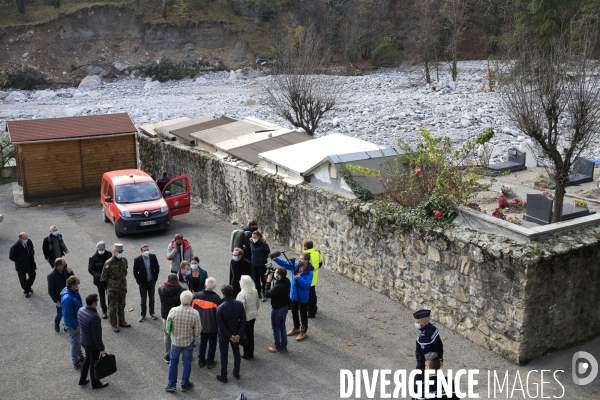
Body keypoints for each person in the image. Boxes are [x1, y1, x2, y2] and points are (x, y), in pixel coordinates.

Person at [273, 253, 313, 342]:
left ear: (306, 261)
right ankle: (296, 327)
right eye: (299, 258)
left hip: (303, 297)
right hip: (294, 295)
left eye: (302, 259)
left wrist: (299, 278)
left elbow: (307, 286)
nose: (299, 260)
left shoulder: (310, 272)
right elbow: (286, 264)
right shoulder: (296, 265)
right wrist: (276, 259)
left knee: (303, 315)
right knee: (294, 312)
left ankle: (304, 331)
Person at [165, 291, 199, 392]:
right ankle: (185, 384)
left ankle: (171, 384)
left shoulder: (173, 311)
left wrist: (172, 335)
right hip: (188, 342)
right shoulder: (194, 313)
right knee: (187, 362)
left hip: (175, 342)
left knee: (173, 362)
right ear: (191, 300)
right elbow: (197, 332)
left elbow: (168, 328)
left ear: (180, 299)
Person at [77, 293, 109, 389]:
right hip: (92, 344)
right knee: (94, 363)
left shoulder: (81, 310)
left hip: (84, 341)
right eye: (97, 301)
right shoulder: (94, 317)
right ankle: (95, 383)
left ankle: (82, 379)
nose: (98, 302)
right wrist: (102, 349)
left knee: (87, 359)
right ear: (94, 303)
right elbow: (96, 336)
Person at [215, 285, 246, 383]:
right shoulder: (239, 304)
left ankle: (224, 375)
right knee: (236, 353)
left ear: (223, 294)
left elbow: (221, 325)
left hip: (224, 335)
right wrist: (238, 334)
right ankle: (236, 372)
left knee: (224, 355)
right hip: (236, 332)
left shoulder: (220, 308)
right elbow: (243, 320)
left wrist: (229, 336)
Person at [192, 277, 223, 369]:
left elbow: (192, 310)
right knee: (212, 344)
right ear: (214, 287)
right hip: (212, 326)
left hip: (200, 325)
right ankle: (210, 361)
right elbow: (219, 315)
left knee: (202, 342)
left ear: (205, 285)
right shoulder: (217, 299)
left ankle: (201, 360)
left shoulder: (196, 296)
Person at [100, 243, 131, 332]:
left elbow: (125, 272)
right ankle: (113, 324)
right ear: (114, 252)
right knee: (113, 307)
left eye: (121, 251)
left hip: (122, 287)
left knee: (122, 305)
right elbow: (103, 277)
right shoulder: (108, 263)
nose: (120, 253)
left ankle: (122, 321)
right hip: (113, 289)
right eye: (118, 252)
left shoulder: (124, 260)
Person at [158, 273, 186, 363]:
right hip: (178, 316)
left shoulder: (161, 289)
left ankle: (167, 355)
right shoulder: (182, 291)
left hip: (166, 316)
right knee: (179, 335)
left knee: (167, 335)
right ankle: (182, 355)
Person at [265, 267, 291, 354]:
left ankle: (277, 347)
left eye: (276, 273)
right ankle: (284, 346)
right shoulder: (287, 281)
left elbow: (267, 294)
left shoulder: (279, 286)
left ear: (279, 276)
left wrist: (268, 282)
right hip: (285, 307)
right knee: (282, 326)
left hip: (277, 309)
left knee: (275, 328)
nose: (274, 274)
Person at [61, 276, 84, 369]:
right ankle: (76, 361)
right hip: (72, 324)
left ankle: (80, 355)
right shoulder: (67, 298)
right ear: (72, 285)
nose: (79, 285)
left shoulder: (74, 292)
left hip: (77, 321)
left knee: (78, 340)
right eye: (78, 284)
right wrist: (75, 326)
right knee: (75, 343)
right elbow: (67, 315)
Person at [133, 244, 160, 322]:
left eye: (147, 250)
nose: (146, 251)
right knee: (143, 299)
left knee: (152, 298)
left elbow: (157, 268)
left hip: (151, 281)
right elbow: (135, 272)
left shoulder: (153, 257)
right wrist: (139, 282)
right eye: (144, 250)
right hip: (143, 283)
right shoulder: (137, 260)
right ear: (141, 251)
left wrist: (155, 278)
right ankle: (143, 315)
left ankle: (152, 313)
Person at [47, 257, 74, 332]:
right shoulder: (51, 275)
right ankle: (56, 323)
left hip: (68, 295)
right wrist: (56, 301)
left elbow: (72, 280)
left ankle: (66, 325)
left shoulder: (65, 270)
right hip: (60, 298)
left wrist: (70, 272)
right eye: (64, 265)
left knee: (69, 311)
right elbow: (50, 290)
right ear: (59, 266)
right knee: (60, 313)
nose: (66, 266)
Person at [414, 310, 444, 376]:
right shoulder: (434, 329)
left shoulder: (423, 338)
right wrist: (440, 358)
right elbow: (440, 345)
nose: (416, 324)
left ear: (424, 323)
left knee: (418, 382)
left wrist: (427, 366)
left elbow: (426, 354)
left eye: (417, 322)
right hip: (434, 362)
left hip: (424, 365)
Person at [236, 275, 259, 360]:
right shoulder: (255, 291)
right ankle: (251, 352)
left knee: (245, 335)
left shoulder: (242, 294)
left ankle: (246, 354)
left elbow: (241, 308)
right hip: (253, 315)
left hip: (245, 317)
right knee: (250, 334)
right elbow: (257, 304)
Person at [87, 241, 111, 319]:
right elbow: (91, 269)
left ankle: (111, 310)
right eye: (99, 248)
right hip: (99, 280)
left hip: (108, 280)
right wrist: (99, 276)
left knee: (110, 295)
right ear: (97, 248)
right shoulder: (93, 258)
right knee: (102, 296)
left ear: (104, 248)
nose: (101, 250)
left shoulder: (109, 254)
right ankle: (104, 310)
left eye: (102, 248)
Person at [9, 232, 37, 298]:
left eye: (27, 237)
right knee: (22, 279)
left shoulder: (29, 241)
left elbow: (31, 248)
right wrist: (21, 259)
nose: (26, 239)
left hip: (30, 263)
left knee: (33, 275)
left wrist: (31, 253)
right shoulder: (15, 246)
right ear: (20, 238)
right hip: (21, 266)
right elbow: (11, 256)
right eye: (25, 238)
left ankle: (28, 286)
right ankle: (26, 291)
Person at [303, 240, 322, 318]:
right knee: (313, 293)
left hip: (309, 276)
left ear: (306, 247)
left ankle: (311, 312)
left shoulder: (307, 255)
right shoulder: (317, 252)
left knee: (309, 295)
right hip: (315, 275)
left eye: (304, 246)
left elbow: (305, 267)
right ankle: (314, 308)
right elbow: (320, 263)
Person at [249, 231, 270, 302]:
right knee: (256, 279)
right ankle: (258, 293)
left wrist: (261, 258)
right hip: (254, 263)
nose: (253, 238)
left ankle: (264, 293)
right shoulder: (251, 242)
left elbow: (267, 253)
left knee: (263, 279)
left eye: (255, 237)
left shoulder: (264, 245)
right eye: (252, 237)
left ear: (259, 237)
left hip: (262, 264)